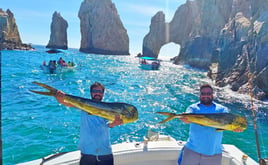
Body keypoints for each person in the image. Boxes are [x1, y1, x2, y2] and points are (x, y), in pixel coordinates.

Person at [55, 82, 123, 165]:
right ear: (91, 92)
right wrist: (59, 98)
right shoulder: (83, 105)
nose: (97, 93)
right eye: (95, 91)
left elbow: (108, 124)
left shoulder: (108, 108)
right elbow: (66, 102)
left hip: (105, 153)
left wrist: (115, 123)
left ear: (103, 94)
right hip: (87, 153)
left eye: (100, 91)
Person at [178, 84, 243, 165]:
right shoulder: (193, 108)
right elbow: (188, 117)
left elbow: (227, 123)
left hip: (213, 153)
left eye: (208, 93)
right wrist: (185, 119)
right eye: (203, 94)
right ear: (200, 95)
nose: (206, 96)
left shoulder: (222, 109)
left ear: (212, 95)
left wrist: (235, 129)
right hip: (192, 150)